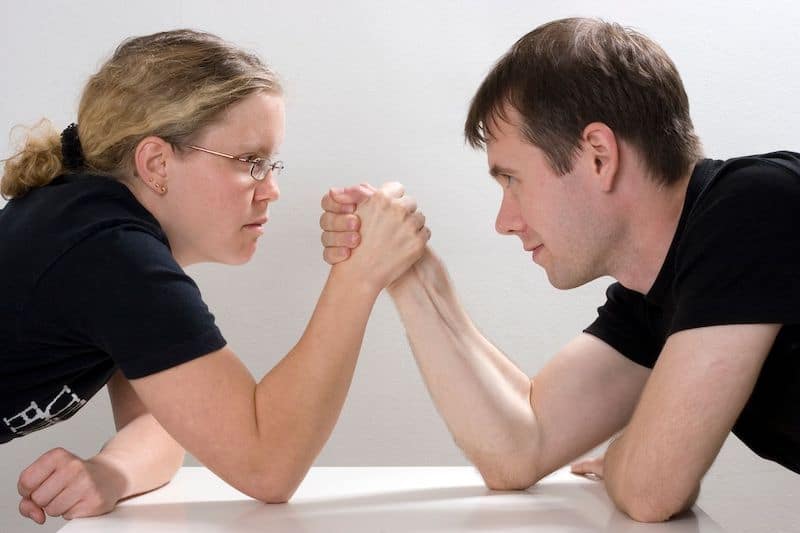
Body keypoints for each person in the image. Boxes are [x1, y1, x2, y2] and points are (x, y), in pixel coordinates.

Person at [319, 17, 800, 523]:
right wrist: (411, 274)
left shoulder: (754, 207)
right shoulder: (657, 291)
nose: (505, 222)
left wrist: (622, 457)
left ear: (598, 156)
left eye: (512, 179)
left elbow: (650, 489)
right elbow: (519, 449)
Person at [0, 29, 429, 525]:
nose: (272, 190)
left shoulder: (95, 226)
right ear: (157, 162)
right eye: (251, 162)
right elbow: (267, 465)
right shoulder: (111, 255)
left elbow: (169, 422)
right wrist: (358, 275)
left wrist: (112, 471)